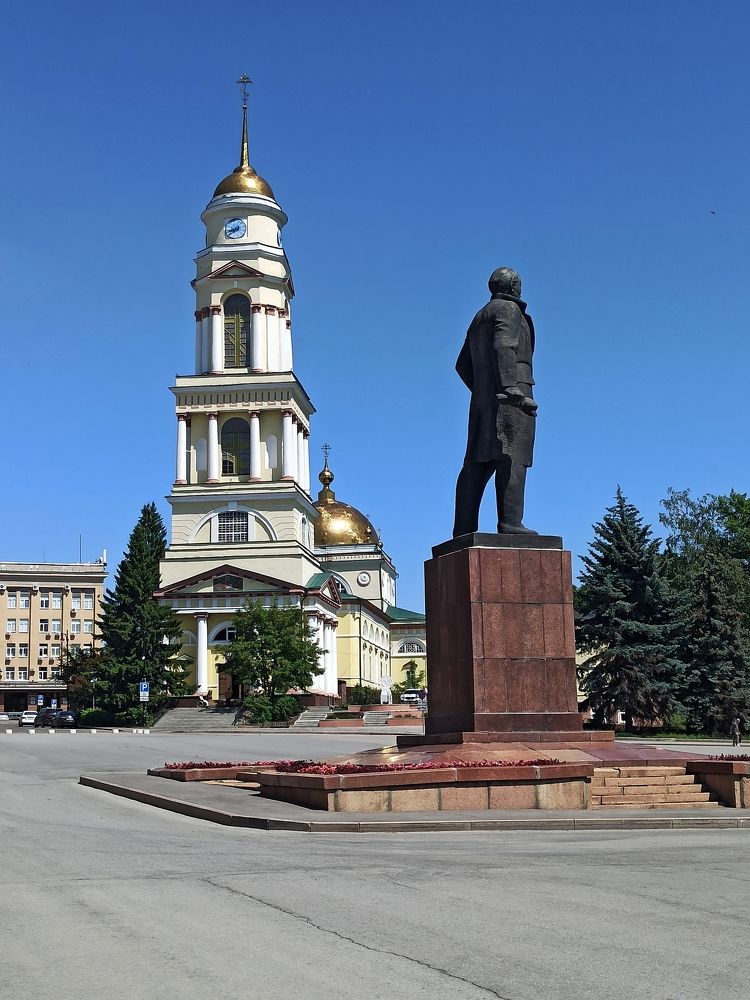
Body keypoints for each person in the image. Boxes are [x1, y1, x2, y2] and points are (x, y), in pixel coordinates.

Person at [453, 267, 538, 537]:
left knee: (477, 463)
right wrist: (509, 386)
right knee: (513, 458)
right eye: (519, 283)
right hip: (512, 397)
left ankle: (464, 528)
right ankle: (511, 522)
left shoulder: (480, 316)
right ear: (512, 286)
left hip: (484, 400)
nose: (520, 287)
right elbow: (504, 345)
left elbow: (462, 365)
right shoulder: (509, 309)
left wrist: (482, 389)